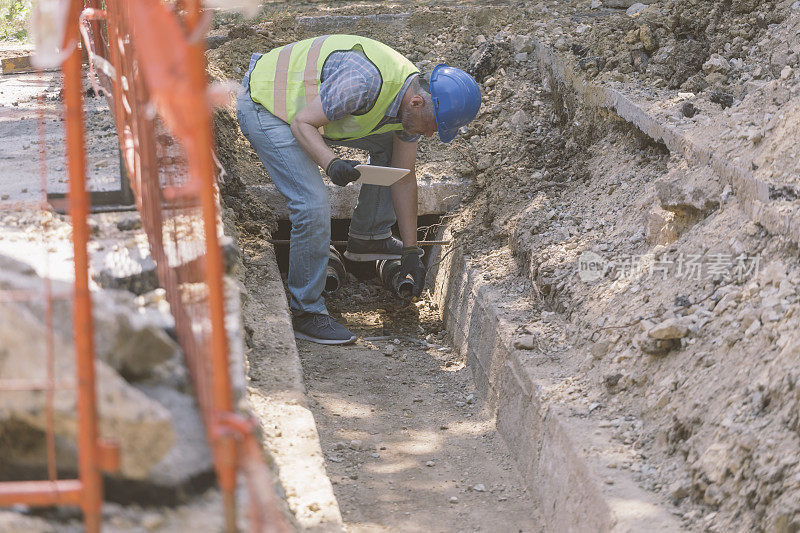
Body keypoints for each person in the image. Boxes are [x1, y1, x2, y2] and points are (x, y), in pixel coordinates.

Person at [237, 34, 480, 345]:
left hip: (308, 113)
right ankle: (306, 311)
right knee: (312, 204)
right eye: (433, 126)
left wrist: (410, 252)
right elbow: (302, 124)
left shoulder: (410, 107)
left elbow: (403, 177)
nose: (431, 135)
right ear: (418, 103)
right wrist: (331, 163)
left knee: (393, 155)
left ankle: (370, 237)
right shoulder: (363, 82)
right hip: (268, 105)